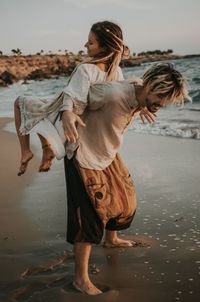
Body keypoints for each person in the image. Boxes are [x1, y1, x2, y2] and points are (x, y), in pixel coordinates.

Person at [61, 62, 190, 295]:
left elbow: (135, 90)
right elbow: (77, 97)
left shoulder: (139, 92)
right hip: (84, 154)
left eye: (165, 101)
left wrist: (144, 106)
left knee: (124, 201)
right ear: (150, 85)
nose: (161, 105)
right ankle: (80, 279)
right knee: (90, 217)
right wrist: (67, 116)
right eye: (160, 98)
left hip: (108, 153)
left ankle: (111, 239)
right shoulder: (112, 95)